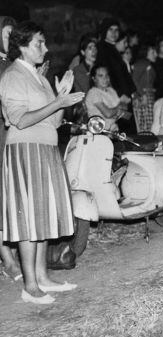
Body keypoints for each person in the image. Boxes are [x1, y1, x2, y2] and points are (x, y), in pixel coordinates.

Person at [0, 21, 84, 303]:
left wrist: (62, 99)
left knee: (43, 215)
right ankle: (30, 287)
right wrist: (56, 102)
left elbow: (55, 120)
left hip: (46, 148)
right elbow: (19, 119)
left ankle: (44, 277)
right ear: (22, 46)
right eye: (40, 43)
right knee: (28, 219)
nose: (45, 48)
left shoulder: (39, 77)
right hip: (25, 150)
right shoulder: (12, 76)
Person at [0, 15, 21, 282]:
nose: (12, 39)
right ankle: (7, 258)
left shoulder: (12, 64)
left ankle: (14, 253)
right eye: (7, 34)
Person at [85, 65, 129, 132]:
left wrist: (116, 110)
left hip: (115, 129)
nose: (105, 78)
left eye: (106, 75)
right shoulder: (93, 93)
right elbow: (108, 114)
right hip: (100, 131)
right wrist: (119, 108)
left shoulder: (111, 90)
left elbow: (125, 113)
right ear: (94, 78)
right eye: (101, 76)